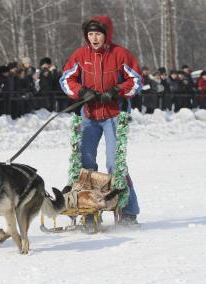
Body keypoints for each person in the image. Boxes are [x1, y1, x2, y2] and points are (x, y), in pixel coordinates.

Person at [60, 15, 142, 225]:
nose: (94, 38)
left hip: (114, 115)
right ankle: (89, 211)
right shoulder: (80, 55)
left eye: (98, 33)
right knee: (85, 164)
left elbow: (136, 80)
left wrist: (117, 91)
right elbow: (66, 80)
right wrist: (81, 91)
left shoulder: (120, 54)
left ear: (107, 34)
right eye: (90, 34)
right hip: (89, 115)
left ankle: (128, 211)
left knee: (116, 165)